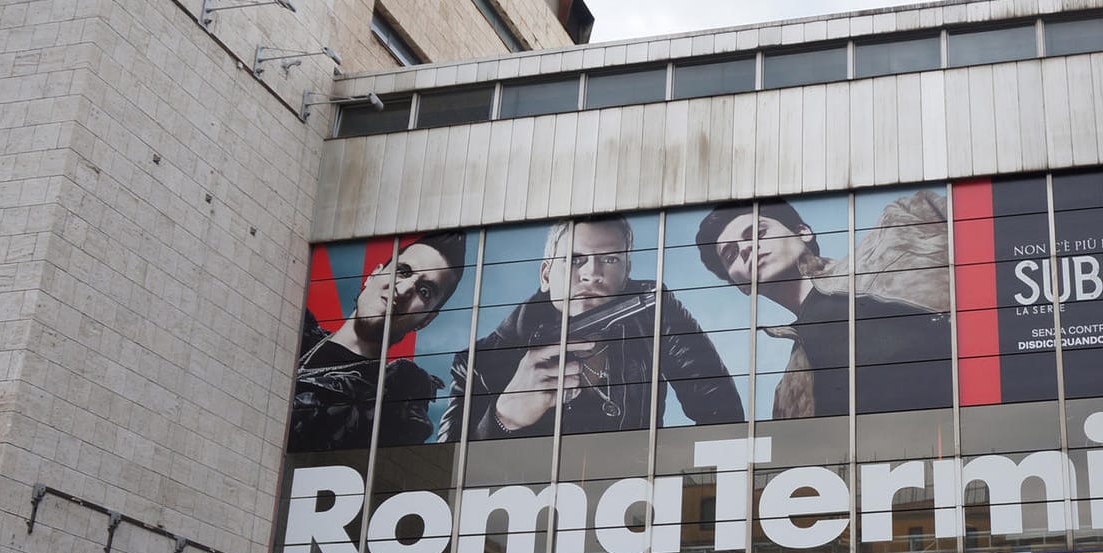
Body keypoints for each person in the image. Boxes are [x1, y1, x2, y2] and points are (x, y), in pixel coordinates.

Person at [442, 216, 743, 439]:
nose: (592, 273)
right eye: (575, 259)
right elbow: (441, 472)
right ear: (546, 275)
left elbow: (722, 413)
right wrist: (504, 416)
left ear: (627, 271)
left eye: (610, 258)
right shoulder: (476, 363)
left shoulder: (653, 310)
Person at [693, 197, 953, 417]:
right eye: (730, 255)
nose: (746, 249)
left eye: (758, 233)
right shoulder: (788, 396)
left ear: (802, 232)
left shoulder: (901, 229)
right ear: (742, 286)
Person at [289, 230, 466, 451]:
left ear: (426, 320)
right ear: (373, 275)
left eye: (424, 291)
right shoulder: (295, 328)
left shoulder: (389, 407)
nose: (402, 291)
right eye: (402, 272)